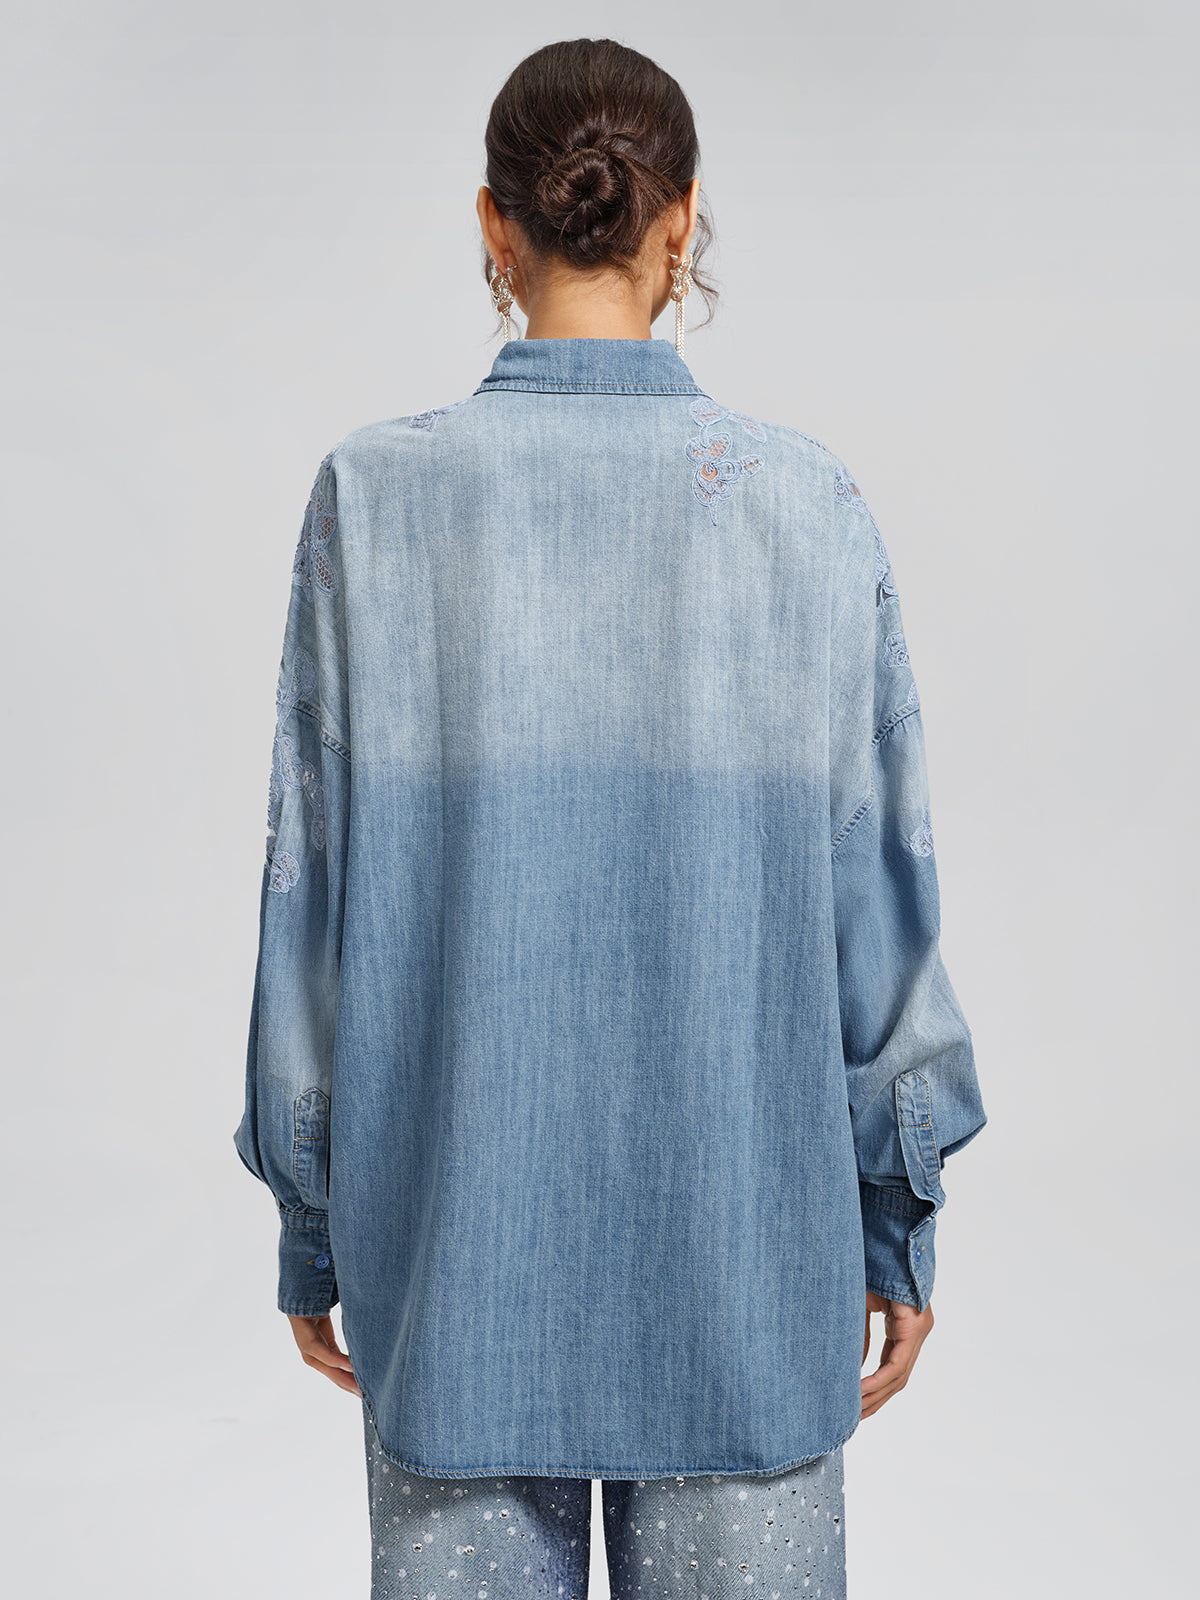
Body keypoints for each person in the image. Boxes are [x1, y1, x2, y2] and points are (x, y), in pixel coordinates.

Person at [233, 37, 988, 1600]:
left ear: (493, 225)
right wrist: (894, 1219)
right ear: (683, 221)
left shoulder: (373, 501)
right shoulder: (806, 505)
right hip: (744, 1275)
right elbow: (881, 900)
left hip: (456, 1274)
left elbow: (310, 910)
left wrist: (314, 1223)